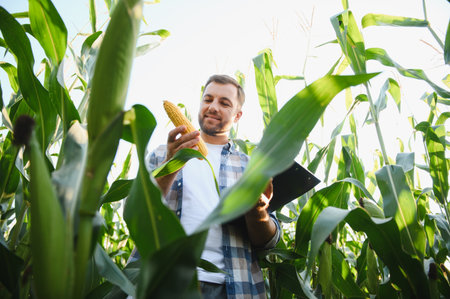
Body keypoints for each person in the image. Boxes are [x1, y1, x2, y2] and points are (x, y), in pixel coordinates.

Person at [146, 74, 281, 298]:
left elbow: (268, 242)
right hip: (165, 281)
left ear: (237, 115)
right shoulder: (163, 154)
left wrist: (258, 211)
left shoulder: (251, 167)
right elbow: (135, 212)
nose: (213, 107)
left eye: (224, 103)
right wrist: (171, 164)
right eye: (208, 99)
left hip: (233, 287)